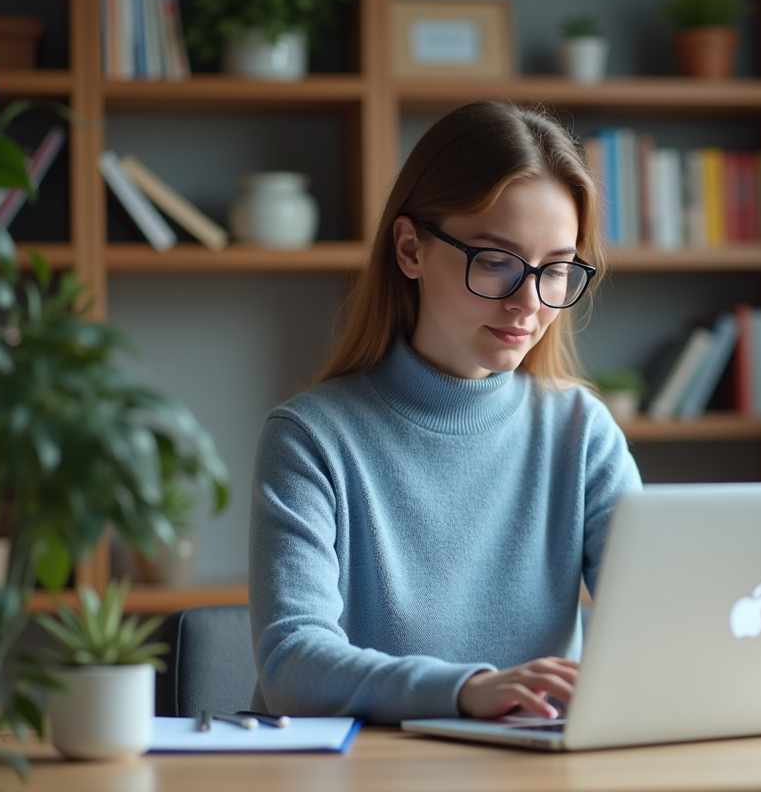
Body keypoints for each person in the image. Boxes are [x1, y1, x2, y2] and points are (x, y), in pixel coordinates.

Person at [248, 100, 643, 726]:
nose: (528, 304)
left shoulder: (580, 432)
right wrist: (467, 690)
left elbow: (657, 615)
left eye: (556, 270)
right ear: (410, 249)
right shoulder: (312, 439)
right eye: (495, 262)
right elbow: (291, 667)